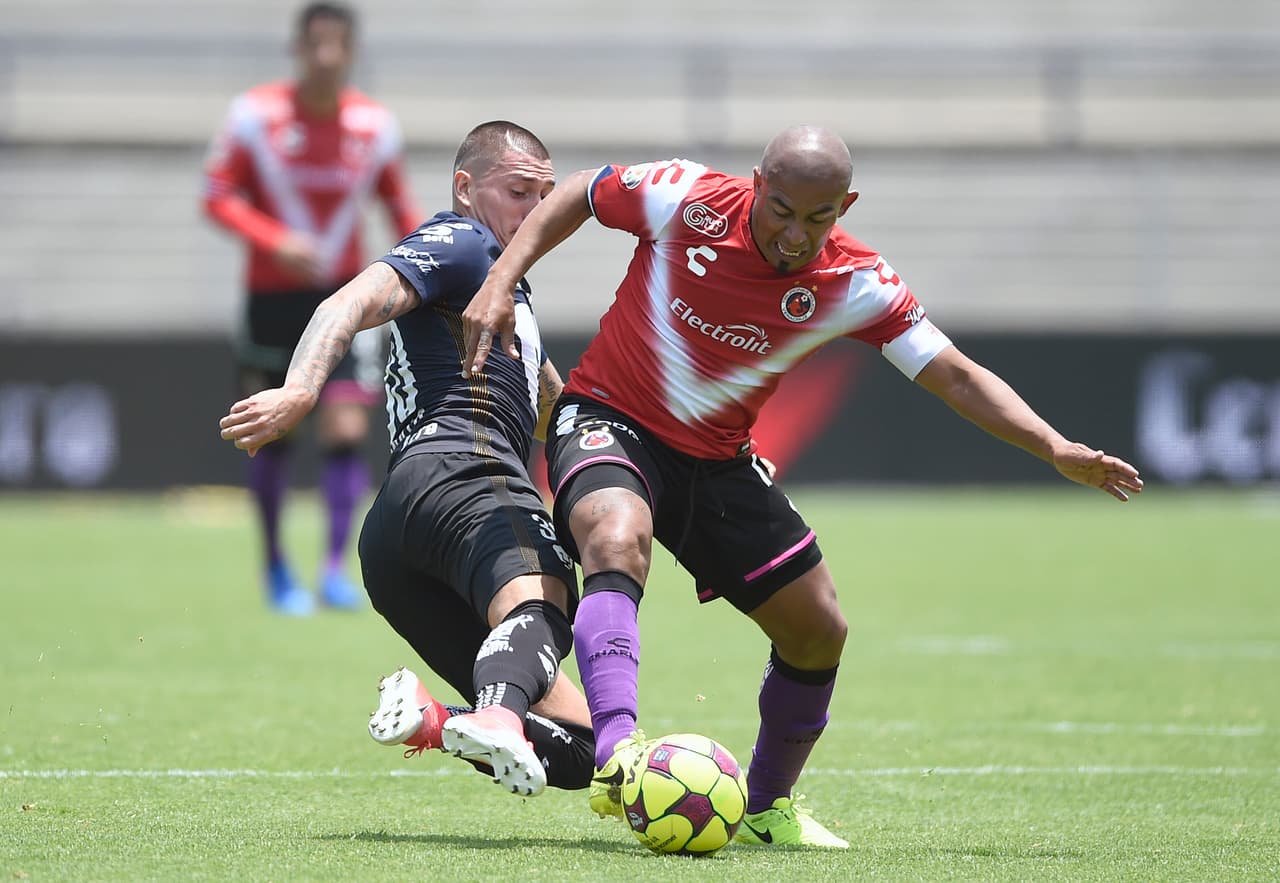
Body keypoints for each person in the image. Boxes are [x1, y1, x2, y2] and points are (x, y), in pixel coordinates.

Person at [460, 125, 1144, 846]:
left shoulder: (855, 281)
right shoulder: (684, 196)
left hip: (716, 461)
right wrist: (501, 277)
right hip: (609, 415)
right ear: (757, 183)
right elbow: (582, 192)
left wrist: (1052, 444)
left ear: (844, 205)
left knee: (818, 628)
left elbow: (956, 374)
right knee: (615, 535)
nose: (795, 234)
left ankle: (767, 808)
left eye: (818, 218)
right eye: (781, 209)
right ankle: (617, 756)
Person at [219, 121, 595, 796]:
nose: (535, 212)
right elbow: (351, 298)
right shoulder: (464, 241)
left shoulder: (507, 295)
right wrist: (302, 387)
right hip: (464, 472)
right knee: (546, 600)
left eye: (546, 198)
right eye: (518, 191)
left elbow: (553, 411)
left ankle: (437, 719)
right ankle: (502, 714)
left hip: (398, 541)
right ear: (465, 188)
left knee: (581, 751)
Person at [203, 1, 421, 615]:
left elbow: (398, 204)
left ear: (350, 52)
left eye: (337, 46)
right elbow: (217, 195)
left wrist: (424, 267)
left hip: (343, 299)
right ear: (298, 50)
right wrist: (275, 240)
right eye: (315, 45)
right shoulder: (255, 117)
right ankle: (275, 566)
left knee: (347, 425)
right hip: (271, 299)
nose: (326, 57)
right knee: (271, 431)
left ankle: (332, 568)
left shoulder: (374, 127)